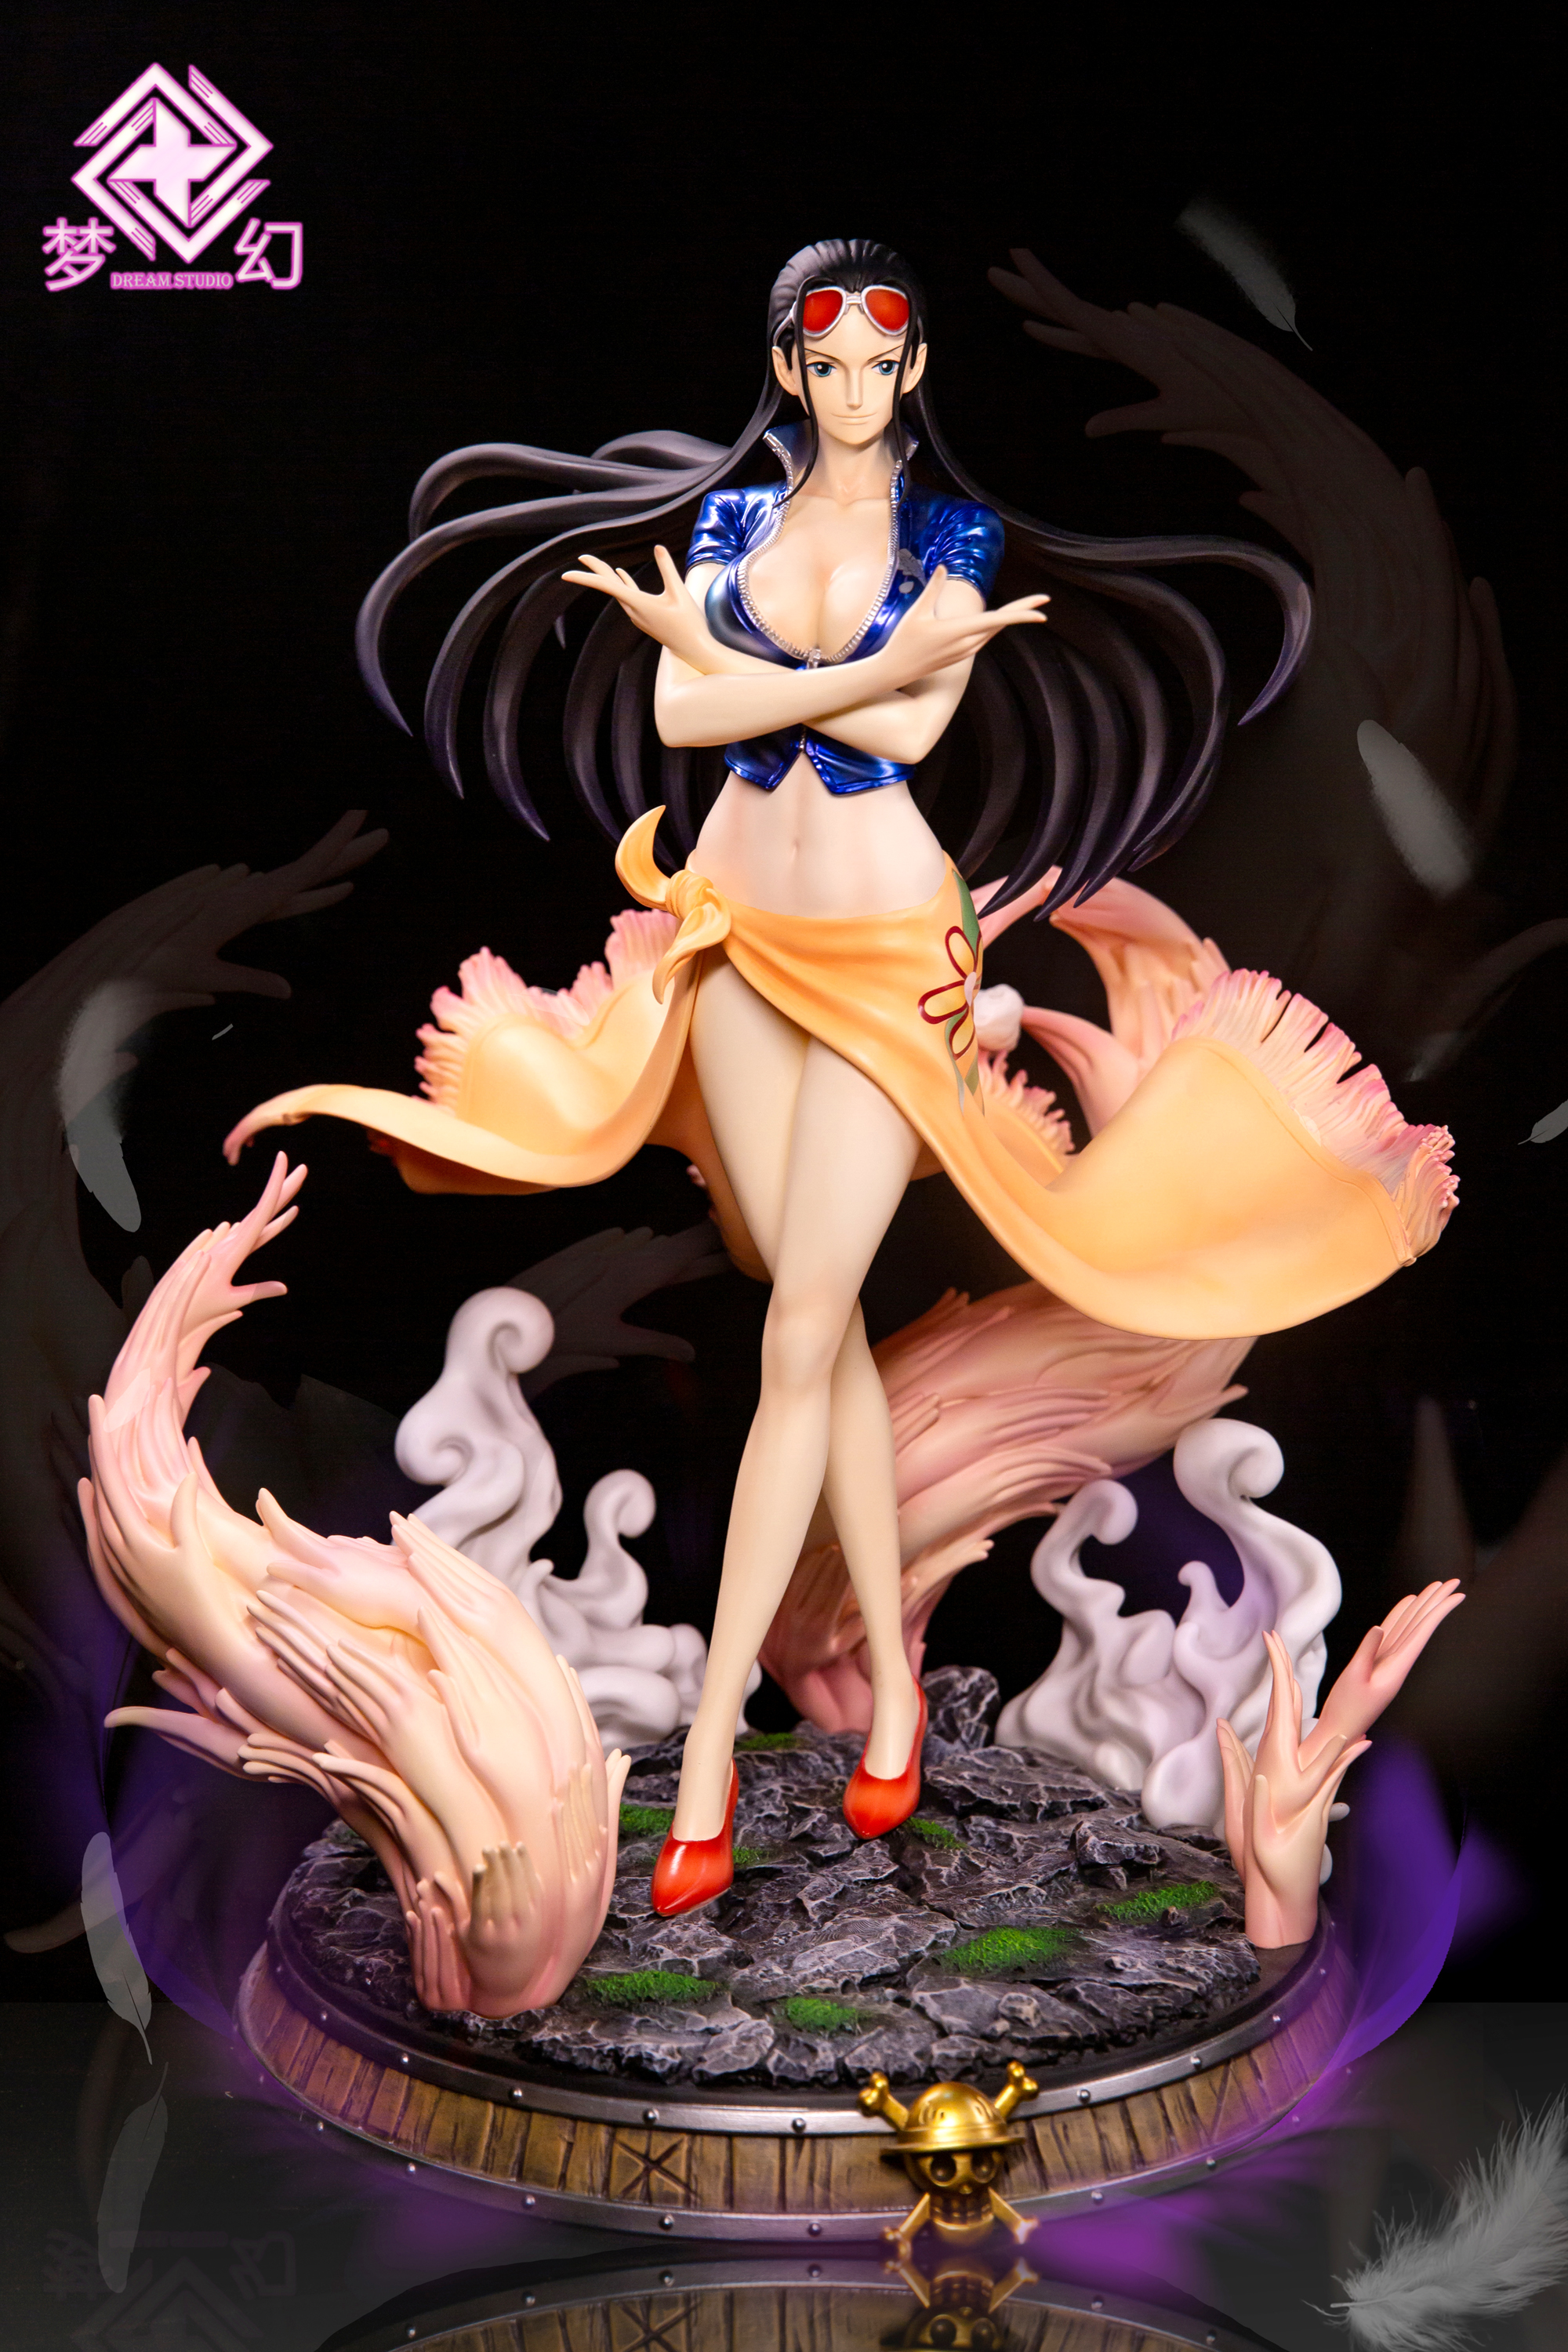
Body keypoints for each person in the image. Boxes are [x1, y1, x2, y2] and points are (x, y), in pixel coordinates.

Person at [227, 240, 1454, 1918]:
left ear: (915, 367)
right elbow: (686, 713)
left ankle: (711, 1756)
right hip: (735, 931)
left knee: (803, 1330)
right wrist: (848, 665)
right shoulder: (740, 521)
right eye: (829, 364)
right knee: (805, 1318)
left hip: (890, 956)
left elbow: (894, 743)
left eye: (884, 363)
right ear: (790, 371)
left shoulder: (950, 539)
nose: (857, 389)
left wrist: (747, 667)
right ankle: (889, 1693)